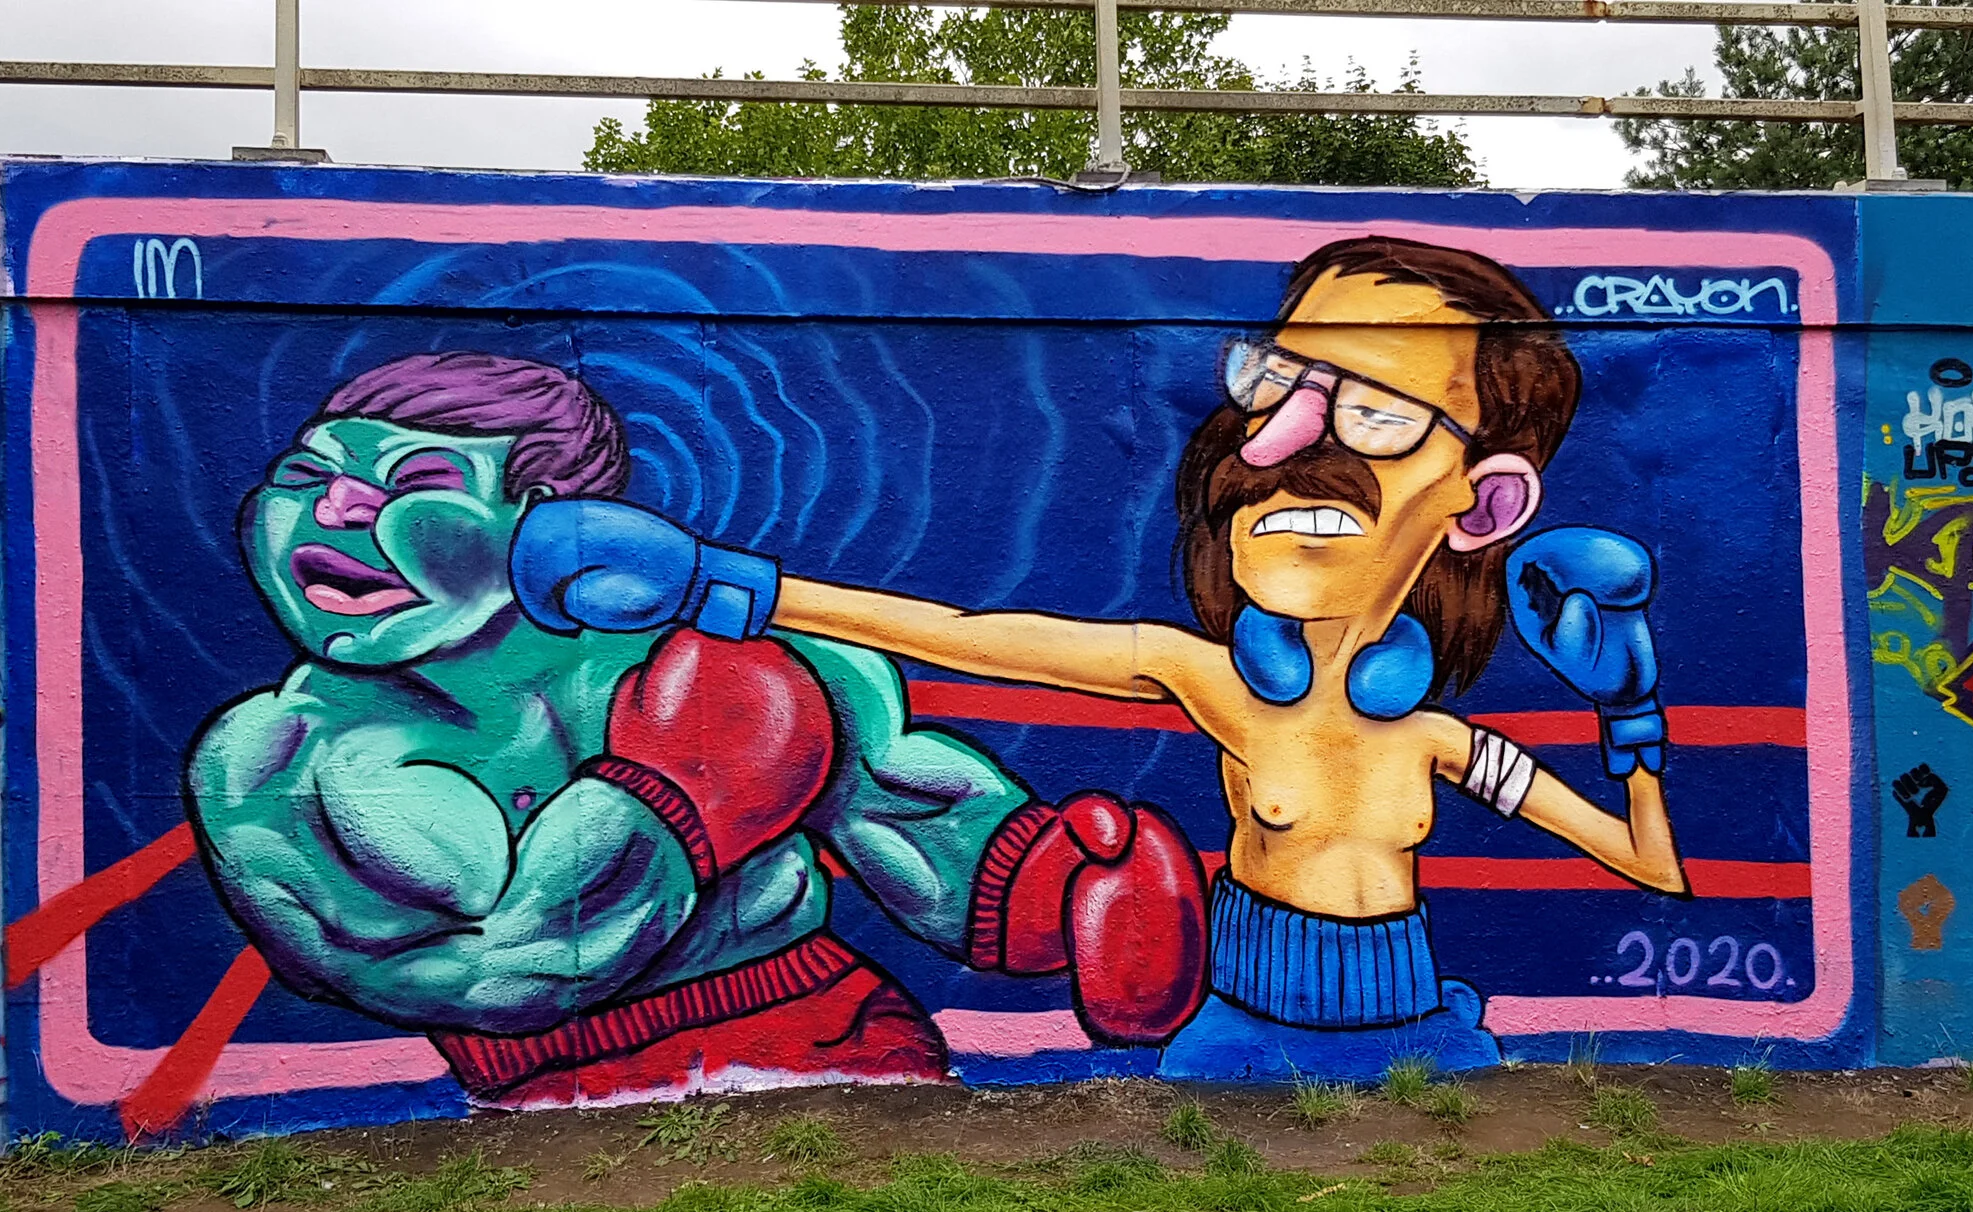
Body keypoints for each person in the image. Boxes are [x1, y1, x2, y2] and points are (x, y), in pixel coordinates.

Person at [511, 237, 1690, 1081]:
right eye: (1278, 385)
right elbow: (971, 637)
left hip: (1420, 1026)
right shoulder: (1220, 685)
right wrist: (736, 585)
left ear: (1482, 503)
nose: (1283, 443)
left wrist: (1628, 714)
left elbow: (1651, 866)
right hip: (1245, 1029)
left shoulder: (1432, 736)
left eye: (1372, 411)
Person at [185, 352, 1210, 1109]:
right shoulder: (274, 759)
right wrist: (668, 800)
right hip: (551, 1099)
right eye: (304, 477)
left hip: (842, 1038)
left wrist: (1053, 889)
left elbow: (901, 800)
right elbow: (493, 975)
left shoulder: (710, 658)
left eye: (416, 483)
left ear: (548, 520)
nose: (336, 510)